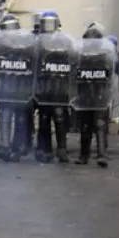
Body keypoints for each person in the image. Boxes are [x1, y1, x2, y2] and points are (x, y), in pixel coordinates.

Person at [0, 13, 37, 161]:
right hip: (18, 86)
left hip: (10, 86)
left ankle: (8, 145)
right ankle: (16, 146)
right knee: (18, 117)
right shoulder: (27, 41)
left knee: (8, 116)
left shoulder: (0, 43)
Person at [32, 11, 74, 163]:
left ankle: (58, 150)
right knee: (48, 119)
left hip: (56, 86)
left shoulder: (64, 41)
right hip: (46, 87)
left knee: (56, 118)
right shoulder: (37, 41)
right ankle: (48, 149)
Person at [72, 23, 116, 167]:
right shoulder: (79, 56)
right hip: (87, 95)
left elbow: (110, 76)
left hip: (97, 95)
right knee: (89, 126)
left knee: (97, 125)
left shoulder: (104, 57)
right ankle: (87, 155)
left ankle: (100, 155)